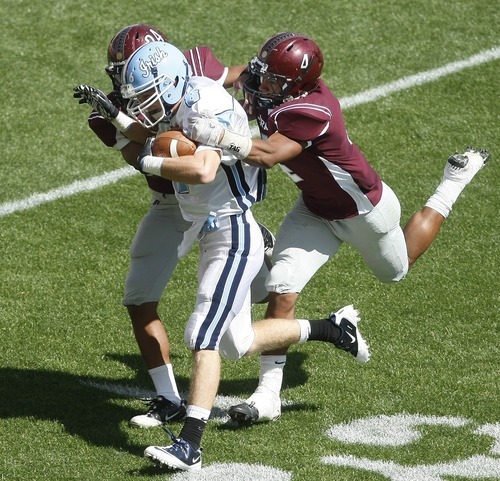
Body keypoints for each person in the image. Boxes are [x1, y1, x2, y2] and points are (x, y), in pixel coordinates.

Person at [189, 31, 490, 425]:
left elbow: (267, 154)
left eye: (273, 81)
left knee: (397, 270)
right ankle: (268, 396)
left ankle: (454, 180)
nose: (263, 85)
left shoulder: (312, 109)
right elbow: (237, 76)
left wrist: (218, 133)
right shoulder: (275, 89)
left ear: (296, 85)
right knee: (281, 289)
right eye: (265, 76)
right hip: (313, 210)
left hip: (364, 212)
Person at [118, 40, 371, 471]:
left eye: (147, 94)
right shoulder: (183, 98)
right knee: (236, 342)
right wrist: (120, 116)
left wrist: (150, 161)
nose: (144, 104)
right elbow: (157, 134)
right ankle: (331, 329)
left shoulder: (202, 107)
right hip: (212, 228)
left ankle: (190, 445)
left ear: (174, 83)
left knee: (202, 333)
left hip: (232, 228)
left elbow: (203, 169)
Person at [72, 23, 271, 428]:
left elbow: (221, 86)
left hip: (213, 201)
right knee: (139, 297)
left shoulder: (192, 79)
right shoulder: (108, 112)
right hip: (170, 203)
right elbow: (142, 147)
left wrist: (249, 87)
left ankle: (256, 249)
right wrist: (119, 118)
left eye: (123, 68)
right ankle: (168, 399)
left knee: (228, 329)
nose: (118, 79)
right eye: (117, 71)